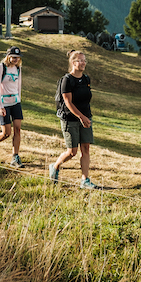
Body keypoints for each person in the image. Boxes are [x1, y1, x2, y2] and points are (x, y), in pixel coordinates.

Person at [49, 49, 97, 189]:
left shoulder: (86, 79)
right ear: (73, 62)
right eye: (80, 60)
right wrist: (81, 117)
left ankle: (85, 180)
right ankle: (55, 166)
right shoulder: (67, 80)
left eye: (84, 60)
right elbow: (68, 102)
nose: (83, 63)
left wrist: (86, 116)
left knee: (86, 148)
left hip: (86, 117)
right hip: (70, 119)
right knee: (72, 151)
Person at [0, 46, 24, 167]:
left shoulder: (18, 69)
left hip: (15, 101)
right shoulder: (1, 67)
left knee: (17, 129)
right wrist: (0, 106)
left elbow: (19, 85)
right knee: (6, 133)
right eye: (14, 57)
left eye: (17, 58)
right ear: (8, 56)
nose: (16, 60)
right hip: (3, 102)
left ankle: (15, 157)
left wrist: (19, 100)